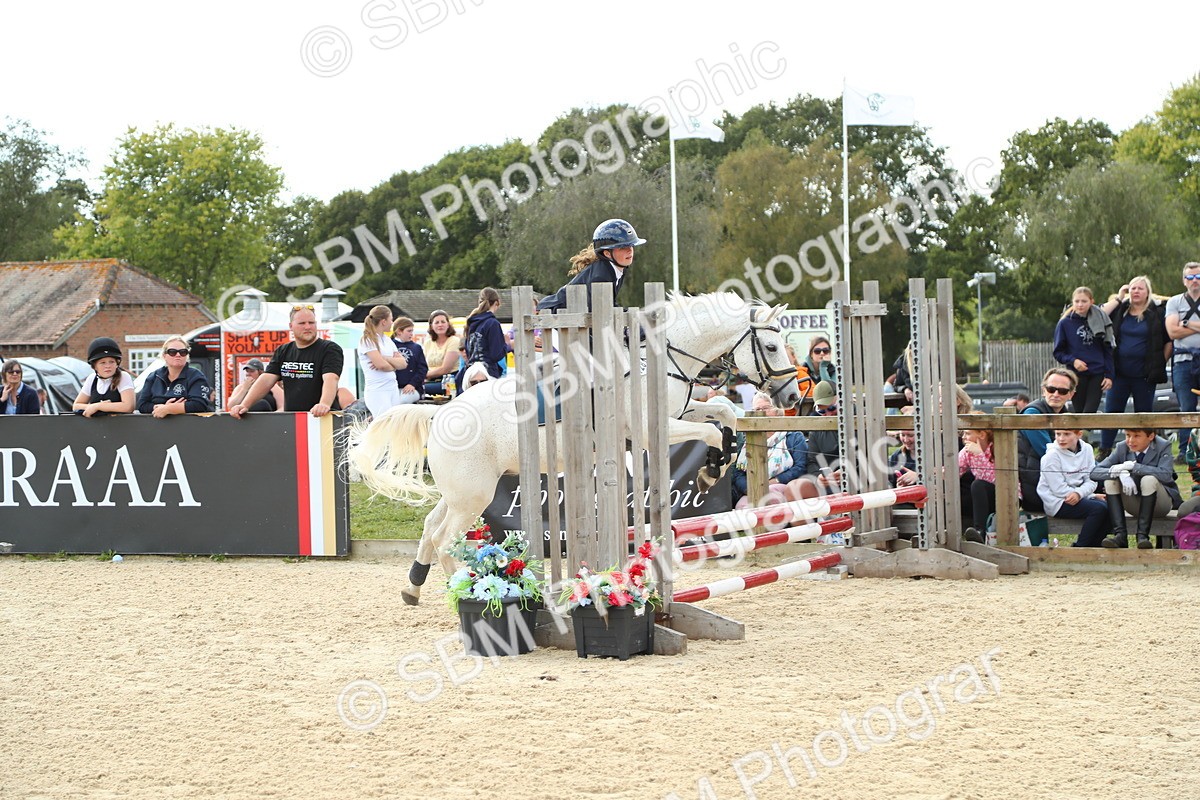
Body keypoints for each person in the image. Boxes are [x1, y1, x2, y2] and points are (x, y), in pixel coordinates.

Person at [229, 305, 343, 418]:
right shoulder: (283, 351)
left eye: (311, 323)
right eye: (302, 323)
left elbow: (331, 378)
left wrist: (324, 404)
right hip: (293, 420)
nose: (307, 327)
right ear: (291, 326)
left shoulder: (329, 349)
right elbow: (266, 380)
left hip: (323, 418)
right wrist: (244, 405)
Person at [1098, 275, 1168, 458]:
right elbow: (1100, 315)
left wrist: (1159, 363)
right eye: (1132, 288)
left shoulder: (1157, 313)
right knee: (1112, 412)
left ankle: (1146, 453)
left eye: (1140, 289)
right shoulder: (1120, 310)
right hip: (1119, 372)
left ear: (1148, 293)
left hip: (1144, 375)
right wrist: (1119, 297)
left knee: (1143, 416)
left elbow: (1168, 341)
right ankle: (1105, 451)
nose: (1136, 292)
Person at [1090, 428, 1181, 549]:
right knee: (1110, 481)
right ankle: (1120, 535)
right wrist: (1121, 472)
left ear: (1151, 436)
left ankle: (1142, 536)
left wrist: (1135, 467)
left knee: (1148, 480)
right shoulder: (1122, 447)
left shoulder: (1163, 445)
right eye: (1128, 435)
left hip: (1160, 504)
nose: (1131, 440)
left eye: (1137, 435)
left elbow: (1166, 474)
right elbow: (1094, 472)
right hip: (1133, 502)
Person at [537, 219, 645, 312]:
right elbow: (603, 309)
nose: (630, 251)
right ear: (607, 253)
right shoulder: (601, 275)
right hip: (552, 319)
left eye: (631, 246)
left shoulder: (617, 268)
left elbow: (610, 304)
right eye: (622, 247)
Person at [730, 391, 809, 508]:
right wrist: (749, 488)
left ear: (777, 411)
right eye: (757, 410)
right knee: (742, 507)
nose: (761, 413)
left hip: (783, 486)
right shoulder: (748, 440)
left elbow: (800, 467)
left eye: (766, 408)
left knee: (770, 499)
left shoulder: (793, 436)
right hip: (752, 490)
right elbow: (738, 473)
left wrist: (775, 480)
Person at [1016, 367, 1077, 512]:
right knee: (1098, 507)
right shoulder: (1031, 414)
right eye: (1051, 389)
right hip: (1037, 489)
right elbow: (1049, 452)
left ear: (1071, 394)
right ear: (1044, 390)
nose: (1056, 394)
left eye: (1062, 391)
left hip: (1060, 482)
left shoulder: (1066, 416)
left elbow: (1078, 449)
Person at [1038, 429, 1110, 547]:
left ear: (1079, 434)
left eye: (1066, 434)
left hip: (1079, 496)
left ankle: (1095, 546)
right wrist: (1082, 495)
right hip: (1058, 501)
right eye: (1058, 434)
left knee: (1110, 507)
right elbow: (1058, 489)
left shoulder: (1087, 449)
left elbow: (1091, 479)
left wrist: (1084, 494)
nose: (1061, 438)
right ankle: (1080, 547)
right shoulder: (1050, 457)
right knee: (1098, 509)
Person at [1052, 286, 1113, 414]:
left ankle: (1083, 434)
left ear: (1092, 302)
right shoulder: (1064, 323)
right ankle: (1081, 434)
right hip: (1076, 374)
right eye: (1077, 301)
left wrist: (1109, 375)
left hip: (1097, 372)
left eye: (1084, 301)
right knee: (1079, 412)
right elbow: (1058, 352)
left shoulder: (1101, 320)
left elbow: (1108, 349)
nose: (1080, 305)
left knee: (1090, 411)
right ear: (1072, 302)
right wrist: (1073, 361)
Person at [1165, 261, 1200, 457]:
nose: (1194, 281)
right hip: (1183, 361)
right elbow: (1172, 331)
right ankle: (1185, 451)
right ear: (1184, 280)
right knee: (1186, 407)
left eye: (1198, 277)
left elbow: (1178, 328)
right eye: (1190, 277)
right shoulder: (1175, 302)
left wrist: (1184, 323)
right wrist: (1195, 325)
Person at [136, 336, 214, 417]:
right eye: (172, 352)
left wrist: (169, 409)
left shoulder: (196, 376)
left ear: (187, 355)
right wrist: (160, 408)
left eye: (183, 352)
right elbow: (142, 405)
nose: (178, 355)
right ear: (164, 355)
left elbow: (200, 405)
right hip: (159, 427)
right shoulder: (154, 377)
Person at [960, 418, 1008, 543]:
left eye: (968, 433)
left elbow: (996, 479)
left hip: (1005, 493)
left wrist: (980, 455)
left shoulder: (998, 447)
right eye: (963, 433)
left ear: (982, 434)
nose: (964, 437)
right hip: (985, 496)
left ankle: (980, 532)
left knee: (977, 485)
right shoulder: (967, 451)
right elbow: (954, 471)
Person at [358, 304, 408, 418]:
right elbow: (381, 366)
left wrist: (385, 358)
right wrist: (393, 364)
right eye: (391, 319)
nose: (392, 322)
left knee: (394, 423)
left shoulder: (388, 340)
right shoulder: (367, 340)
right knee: (384, 423)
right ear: (383, 321)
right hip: (378, 391)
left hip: (392, 388)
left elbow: (403, 363)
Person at [455, 288, 507, 394]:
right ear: (497, 303)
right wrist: (505, 345)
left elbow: (468, 351)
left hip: (470, 371)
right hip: (487, 373)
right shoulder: (492, 323)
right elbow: (495, 355)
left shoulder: (471, 323)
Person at [72, 337, 135, 417]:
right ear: (94, 366)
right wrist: (95, 407)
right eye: (103, 363)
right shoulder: (92, 379)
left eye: (111, 362)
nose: (108, 366)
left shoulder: (123, 376)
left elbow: (128, 406)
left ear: (117, 364)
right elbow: (76, 405)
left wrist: (98, 406)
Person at [804, 381, 842, 493]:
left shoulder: (861, 417)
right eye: (821, 411)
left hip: (862, 478)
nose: (828, 415)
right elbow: (812, 461)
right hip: (830, 484)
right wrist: (819, 477)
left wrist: (847, 472)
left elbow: (868, 456)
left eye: (831, 409)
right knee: (795, 486)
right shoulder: (817, 428)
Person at [421, 309, 460, 395]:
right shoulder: (428, 342)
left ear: (448, 324)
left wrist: (424, 375)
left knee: (419, 389)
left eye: (443, 322)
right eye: (437, 322)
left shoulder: (454, 341)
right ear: (431, 326)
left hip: (448, 381)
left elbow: (445, 369)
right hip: (429, 380)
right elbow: (422, 365)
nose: (440, 325)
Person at [391, 316, 428, 405]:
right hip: (392, 387)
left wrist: (412, 384)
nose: (411, 334)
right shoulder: (389, 345)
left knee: (403, 401)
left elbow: (422, 369)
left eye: (412, 331)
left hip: (413, 388)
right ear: (399, 331)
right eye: (409, 331)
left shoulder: (416, 347)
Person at [795, 336, 837, 401]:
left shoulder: (834, 370)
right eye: (817, 351)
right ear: (811, 354)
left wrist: (823, 367)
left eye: (825, 350)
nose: (822, 353)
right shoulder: (802, 370)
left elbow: (828, 392)